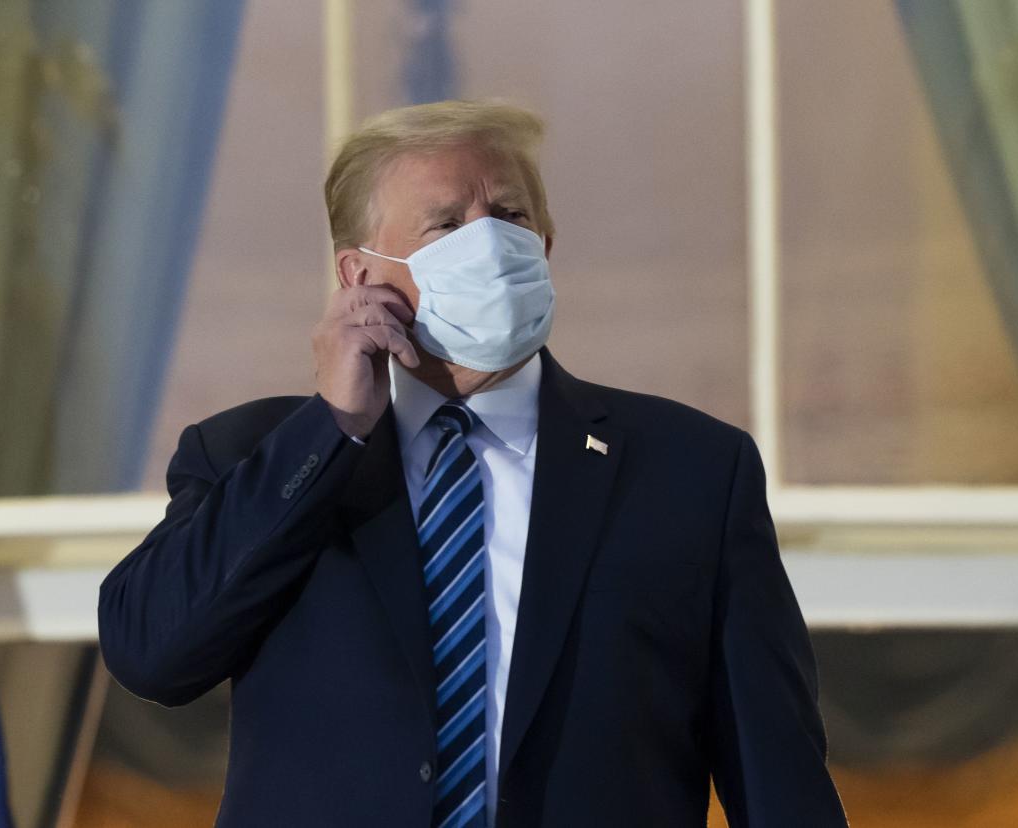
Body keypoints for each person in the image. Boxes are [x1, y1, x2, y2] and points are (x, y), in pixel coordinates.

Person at [97, 100, 848, 827]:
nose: (489, 243)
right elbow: (151, 654)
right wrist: (332, 428)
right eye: (448, 224)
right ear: (358, 277)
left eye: (513, 217)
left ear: (546, 247)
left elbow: (778, 778)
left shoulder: (692, 472)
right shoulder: (247, 456)